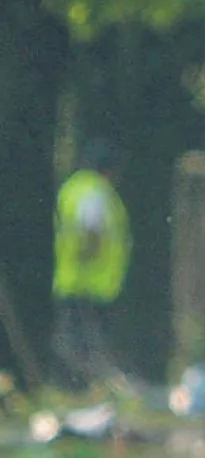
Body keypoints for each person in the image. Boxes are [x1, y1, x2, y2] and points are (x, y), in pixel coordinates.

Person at [52, 138, 131, 391]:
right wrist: (90, 257)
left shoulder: (73, 187)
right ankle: (84, 389)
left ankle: (72, 387)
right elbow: (92, 228)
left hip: (72, 279)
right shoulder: (95, 190)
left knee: (72, 338)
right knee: (86, 342)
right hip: (91, 283)